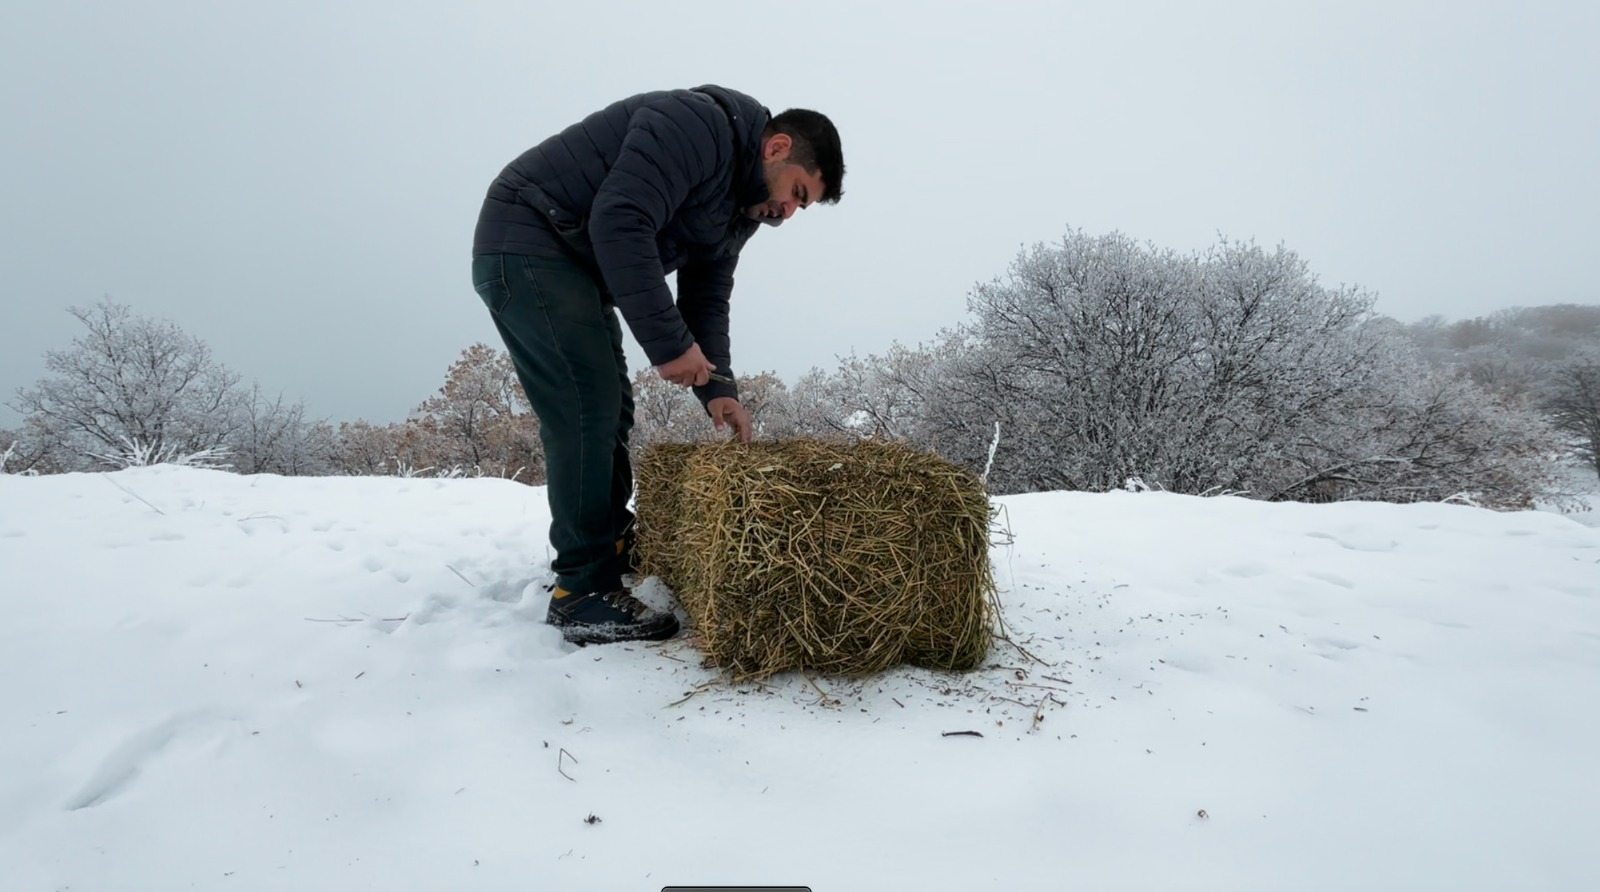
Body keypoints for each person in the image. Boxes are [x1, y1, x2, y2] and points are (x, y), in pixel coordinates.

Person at [470, 85, 845, 645]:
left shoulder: (740, 213)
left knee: (612, 406)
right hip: (530, 237)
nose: (787, 214)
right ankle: (582, 590)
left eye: (800, 207)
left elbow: (707, 300)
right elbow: (619, 221)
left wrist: (719, 388)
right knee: (584, 405)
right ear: (777, 147)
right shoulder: (694, 126)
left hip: (575, 265)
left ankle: (607, 541)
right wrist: (669, 347)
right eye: (796, 194)